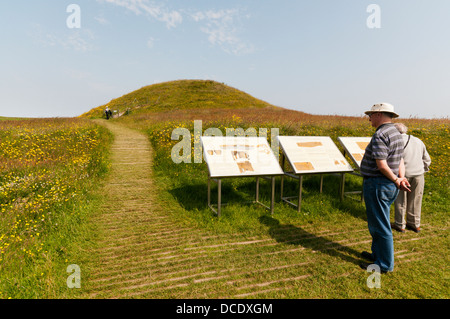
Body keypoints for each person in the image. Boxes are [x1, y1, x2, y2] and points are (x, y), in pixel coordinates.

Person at [359, 103, 411, 273]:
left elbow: (381, 165)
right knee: (377, 223)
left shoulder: (380, 134)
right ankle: (377, 254)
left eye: (371, 115)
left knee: (380, 226)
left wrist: (397, 179)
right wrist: (400, 178)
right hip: (387, 185)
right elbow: (400, 160)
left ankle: (384, 265)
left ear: (379, 114)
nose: (369, 119)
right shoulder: (396, 133)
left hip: (378, 184)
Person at [392, 123, 431, 233]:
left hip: (402, 175)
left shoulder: (395, 142)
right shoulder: (418, 140)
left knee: (400, 200)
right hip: (418, 174)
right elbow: (427, 159)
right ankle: (415, 224)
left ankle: (400, 224)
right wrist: (423, 170)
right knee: (416, 200)